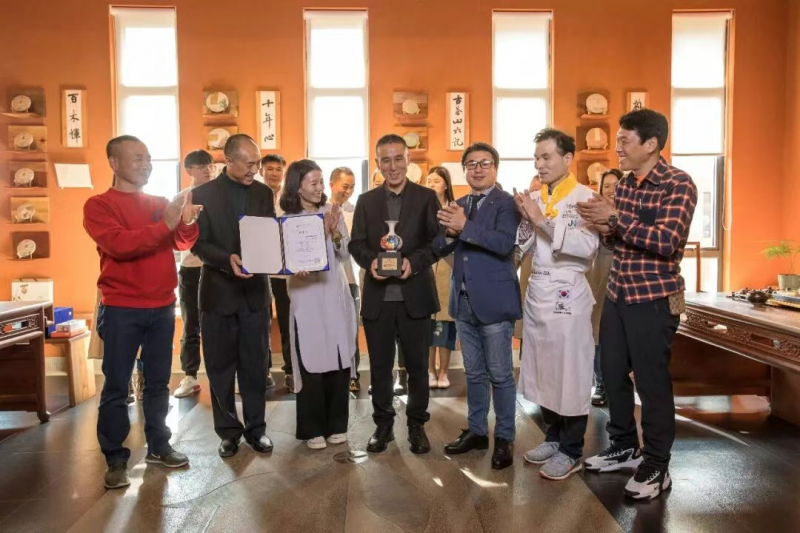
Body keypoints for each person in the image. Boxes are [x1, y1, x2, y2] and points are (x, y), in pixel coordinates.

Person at [577, 109, 697, 500]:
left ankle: (657, 463)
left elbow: (666, 241)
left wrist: (614, 219)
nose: (617, 148)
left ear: (651, 144)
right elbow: (620, 241)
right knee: (611, 373)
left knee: (651, 381)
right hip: (618, 294)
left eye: (624, 140)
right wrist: (603, 227)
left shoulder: (678, 184)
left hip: (654, 298)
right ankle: (625, 445)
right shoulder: (626, 185)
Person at [84, 135, 201, 489]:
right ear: (114, 162)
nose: (146, 165)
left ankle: (159, 445)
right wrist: (166, 224)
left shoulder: (160, 203)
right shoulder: (99, 205)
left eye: (148, 158)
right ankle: (115, 458)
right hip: (121, 307)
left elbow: (181, 242)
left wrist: (187, 222)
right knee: (117, 385)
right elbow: (120, 246)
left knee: (158, 382)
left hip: (162, 305)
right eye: (137, 158)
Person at [514, 129, 599, 481]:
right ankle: (552, 436)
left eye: (546, 157)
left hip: (568, 290)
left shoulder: (586, 198)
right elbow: (524, 246)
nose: (540, 164)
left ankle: (572, 449)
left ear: (567, 159)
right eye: (537, 157)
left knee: (571, 371)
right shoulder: (536, 197)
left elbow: (587, 247)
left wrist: (540, 220)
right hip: (538, 289)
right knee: (543, 368)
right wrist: (524, 220)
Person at [349, 134, 440, 454]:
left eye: (398, 158)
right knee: (379, 367)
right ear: (377, 163)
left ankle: (416, 425)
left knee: (417, 368)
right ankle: (383, 425)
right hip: (379, 299)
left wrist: (414, 263)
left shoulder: (427, 198)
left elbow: (438, 242)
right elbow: (356, 244)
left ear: (408, 160)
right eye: (385, 160)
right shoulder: (366, 201)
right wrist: (371, 262)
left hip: (416, 297)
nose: (393, 166)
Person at [435, 143, 521, 470]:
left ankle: (505, 437)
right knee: (473, 373)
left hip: (495, 301)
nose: (478, 169)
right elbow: (441, 246)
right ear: (464, 171)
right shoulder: (458, 204)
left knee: (500, 374)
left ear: (495, 168)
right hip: (463, 301)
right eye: (471, 164)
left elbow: (503, 244)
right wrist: (447, 233)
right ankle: (477, 431)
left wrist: (464, 227)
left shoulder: (507, 203)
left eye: (484, 163)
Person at [191, 134, 275, 458]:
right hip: (218, 295)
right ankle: (228, 432)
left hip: (256, 294)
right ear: (228, 161)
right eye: (250, 163)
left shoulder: (264, 193)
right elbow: (198, 244)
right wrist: (227, 260)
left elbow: (269, 235)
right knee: (220, 368)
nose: (256, 169)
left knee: (255, 366)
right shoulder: (203, 195)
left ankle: (257, 430)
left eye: (258, 162)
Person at [282, 160, 357, 449]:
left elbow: (344, 253)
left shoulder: (331, 211)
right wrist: (294, 268)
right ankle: (312, 428)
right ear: (297, 185)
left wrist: (334, 231)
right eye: (313, 182)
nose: (319, 187)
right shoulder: (288, 219)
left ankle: (337, 424)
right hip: (306, 295)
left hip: (334, 291)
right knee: (311, 357)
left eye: (321, 182)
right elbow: (283, 260)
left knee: (338, 356)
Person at [173, 149, 215, 398]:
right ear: (189, 170)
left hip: (218, 267)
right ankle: (189, 376)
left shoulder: (221, 194)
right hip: (191, 268)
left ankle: (225, 375)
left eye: (210, 165)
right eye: (201, 166)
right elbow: (174, 236)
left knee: (220, 323)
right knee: (191, 325)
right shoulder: (181, 198)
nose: (208, 170)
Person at [584, 169, 623, 407]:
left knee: (619, 337)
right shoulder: (593, 211)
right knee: (597, 332)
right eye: (606, 186)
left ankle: (618, 385)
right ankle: (600, 384)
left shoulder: (628, 212)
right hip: (598, 276)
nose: (611, 190)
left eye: (616, 185)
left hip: (623, 277)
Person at [328, 166, 363, 392]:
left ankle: (353, 373)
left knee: (351, 328)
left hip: (350, 277)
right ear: (332, 184)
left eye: (352, 187)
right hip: (327, 280)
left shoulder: (355, 211)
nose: (348, 191)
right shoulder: (322, 209)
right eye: (344, 186)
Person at [259, 154, 291, 391]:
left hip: (284, 271)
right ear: (261, 171)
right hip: (259, 269)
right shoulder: (253, 195)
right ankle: (264, 371)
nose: (274, 173)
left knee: (288, 321)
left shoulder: (291, 198)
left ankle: (290, 371)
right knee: (261, 322)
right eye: (269, 169)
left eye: (278, 169)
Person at [425, 166, 456, 389]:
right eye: (428, 180)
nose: (431, 184)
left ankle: (444, 371)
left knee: (446, 324)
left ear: (446, 184)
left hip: (448, 269)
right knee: (427, 324)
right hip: (426, 270)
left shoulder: (455, 209)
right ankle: (430, 370)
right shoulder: (421, 208)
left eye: (436, 180)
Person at [513, 176, 542, 351]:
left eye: (538, 189)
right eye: (532, 190)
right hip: (528, 287)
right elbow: (514, 257)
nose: (533, 193)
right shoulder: (522, 222)